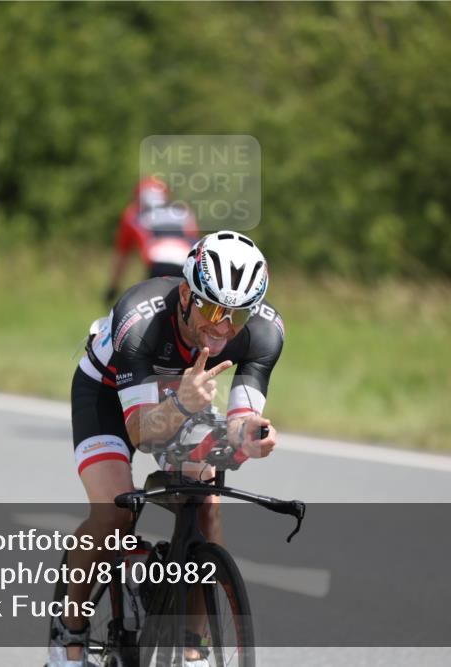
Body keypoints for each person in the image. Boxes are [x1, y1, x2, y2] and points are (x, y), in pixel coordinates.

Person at [50, 231, 285, 667]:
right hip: (107, 392)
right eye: (213, 308)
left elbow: (239, 420)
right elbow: (141, 432)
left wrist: (251, 435)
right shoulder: (139, 318)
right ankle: (69, 638)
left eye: (238, 314)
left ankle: (193, 646)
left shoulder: (264, 332)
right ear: (184, 294)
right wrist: (181, 402)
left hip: (185, 394)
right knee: (113, 513)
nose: (224, 326)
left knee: (206, 505)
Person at [104, 176, 200, 305]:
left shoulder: (133, 214)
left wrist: (113, 287)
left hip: (158, 263)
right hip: (187, 263)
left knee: (154, 310)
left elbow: (123, 256)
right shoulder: (183, 211)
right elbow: (195, 242)